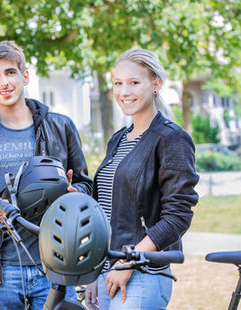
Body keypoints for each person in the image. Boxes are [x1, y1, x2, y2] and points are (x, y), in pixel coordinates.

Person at [0, 41, 93, 310]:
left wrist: (76, 194)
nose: (3, 82)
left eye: (10, 72)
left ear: (24, 76)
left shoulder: (60, 126)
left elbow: (86, 183)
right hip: (1, 270)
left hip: (56, 263)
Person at [84, 49, 199, 310]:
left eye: (134, 82)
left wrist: (130, 261)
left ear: (155, 85)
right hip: (106, 271)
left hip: (141, 274)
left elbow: (178, 217)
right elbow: (106, 209)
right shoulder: (118, 140)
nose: (124, 91)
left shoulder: (172, 139)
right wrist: (92, 272)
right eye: (118, 83)